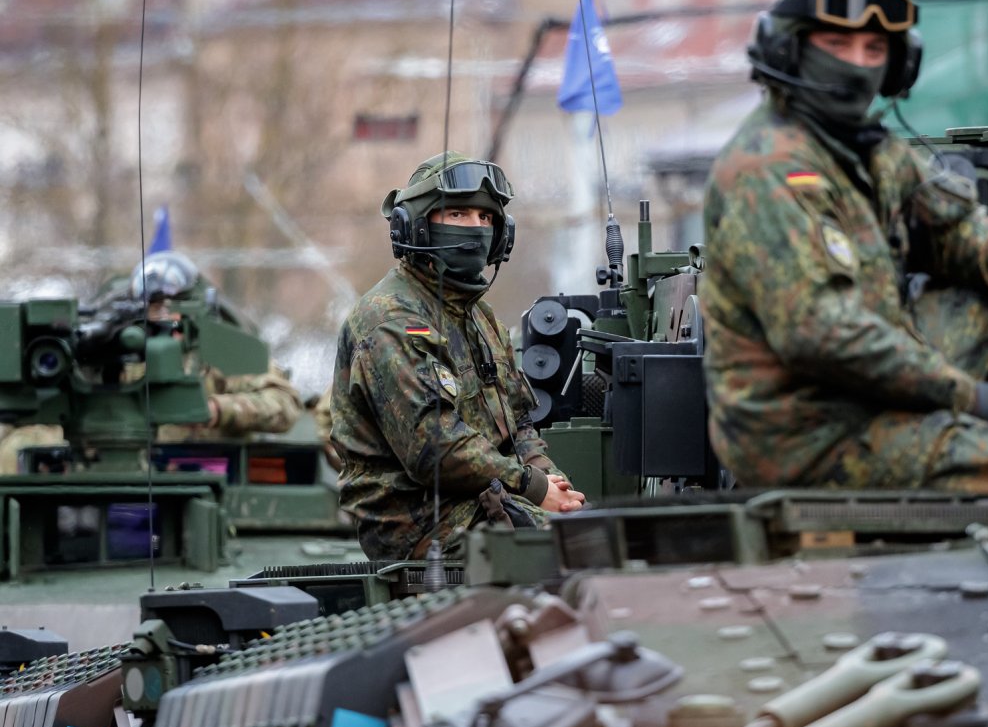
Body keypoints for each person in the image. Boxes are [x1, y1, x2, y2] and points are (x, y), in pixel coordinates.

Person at [700, 0, 988, 493]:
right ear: (788, 49)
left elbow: (958, 231)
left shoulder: (866, 149)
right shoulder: (769, 169)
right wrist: (960, 394)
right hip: (808, 441)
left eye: (874, 48)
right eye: (837, 44)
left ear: (898, 63)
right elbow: (824, 334)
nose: (857, 64)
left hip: (870, 401)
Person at [331, 152, 584, 561]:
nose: (476, 228)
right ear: (415, 224)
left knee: (598, 534)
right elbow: (433, 448)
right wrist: (533, 488)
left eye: (486, 219)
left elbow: (517, 425)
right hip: (416, 523)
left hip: (490, 499)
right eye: (460, 214)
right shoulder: (390, 317)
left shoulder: (479, 317)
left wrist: (553, 482)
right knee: (572, 552)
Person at [0, 252, 302, 473]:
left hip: (208, 477)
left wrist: (215, 410)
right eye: (152, 307)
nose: (160, 315)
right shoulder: (121, 355)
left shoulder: (221, 354)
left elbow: (284, 403)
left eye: (168, 305)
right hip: (125, 478)